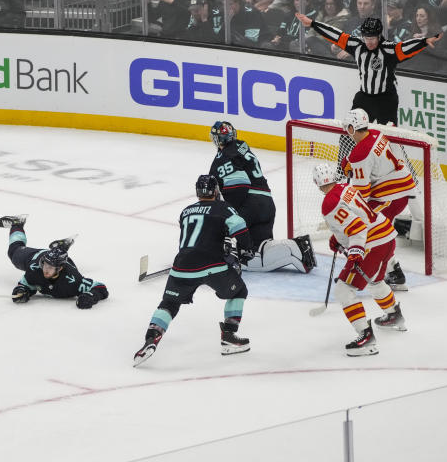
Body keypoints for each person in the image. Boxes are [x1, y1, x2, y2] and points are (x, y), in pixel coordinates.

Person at [132, 175, 253, 365]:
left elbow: (200, 234)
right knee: (239, 291)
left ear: (198, 192)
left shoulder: (185, 211)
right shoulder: (224, 208)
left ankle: (151, 338)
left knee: (169, 303)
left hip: (181, 266)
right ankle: (229, 336)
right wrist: (245, 251)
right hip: (211, 265)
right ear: (215, 191)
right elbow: (240, 228)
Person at [311, 163, 407, 356]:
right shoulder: (346, 187)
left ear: (317, 183)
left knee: (344, 290)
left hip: (372, 244)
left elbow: (357, 229)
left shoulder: (329, 202)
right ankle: (394, 315)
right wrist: (338, 237)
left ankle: (366, 337)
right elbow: (358, 217)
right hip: (387, 236)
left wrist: (355, 251)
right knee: (375, 280)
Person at [295, 12, 442, 125]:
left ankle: (392, 164)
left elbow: (404, 48)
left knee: (388, 138)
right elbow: (336, 35)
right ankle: (344, 165)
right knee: (351, 133)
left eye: (372, 38)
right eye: (366, 38)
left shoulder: (388, 50)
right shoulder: (357, 45)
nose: (369, 42)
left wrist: (423, 42)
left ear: (379, 36)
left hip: (387, 99)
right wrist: (313, 24)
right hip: (364, 98)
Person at [209, 121, 315, 273]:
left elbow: (239, 185)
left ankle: (216, 255)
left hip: (250, 205)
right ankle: (296, 248)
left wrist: (229, 216)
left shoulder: (223, 158)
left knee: (223, 227)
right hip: (266, 204)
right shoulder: (242, 146)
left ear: (218, 139)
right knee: (256, 255)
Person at [340, 108, 418, 291]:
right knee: (372, 229)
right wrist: (350, 162)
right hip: (398, 191)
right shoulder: (375, 133)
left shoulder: (361, 154)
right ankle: (390, 270)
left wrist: (348, 208)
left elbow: (362, 194)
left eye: (348, 128)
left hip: (390, 197)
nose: (347, 132)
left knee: (370, 230)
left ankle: (392, 274)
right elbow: (361, 155)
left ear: (352, 128)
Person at [0, 214, 108, 309]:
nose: (45, 270)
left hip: (64, 263)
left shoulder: (74, 280)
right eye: (45, 265)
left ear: (60, 268)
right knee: (13, 251)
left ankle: (61, 248)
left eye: (50, 268)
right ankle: (17, 224)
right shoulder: (35, 269)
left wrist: (91, 296)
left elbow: (100, 288)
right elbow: (26, 284)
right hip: (34, 257)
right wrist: (21, 291)